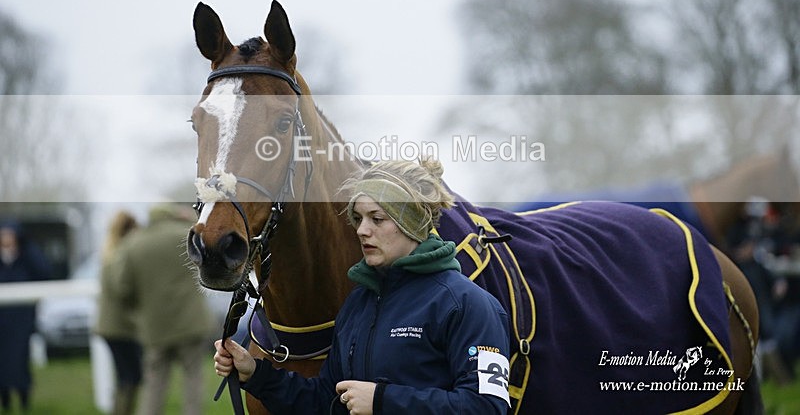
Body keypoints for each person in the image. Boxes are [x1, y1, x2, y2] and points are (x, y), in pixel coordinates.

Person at [214, 158, 511, 415]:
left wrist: (382, 401)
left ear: (412, 223)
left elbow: (486, 406)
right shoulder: (358, 304)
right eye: (357, 218)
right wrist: (256, 375)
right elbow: (325, 400)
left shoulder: (469, 304)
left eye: (377, 218)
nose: (361, 230)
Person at [110, 204, 214, 415]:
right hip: (190, 323)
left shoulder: (134, 244)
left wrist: (139, 307)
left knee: (154, 384)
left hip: (155, 327)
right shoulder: (185, 236)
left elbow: (122, 287)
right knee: (193, 379)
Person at [94, 210, 143, 415]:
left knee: (126, 377)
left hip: (111, 326)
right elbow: (123, 289)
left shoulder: (110, 251)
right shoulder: (122, 254)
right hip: (120, 328)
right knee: (130, 377)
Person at [0, 220, 51, 413]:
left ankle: (24, 402)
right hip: (1, 323)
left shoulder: (26, 257)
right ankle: (5, 403)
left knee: (21, 362)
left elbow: (44, 272)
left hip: (21, 321)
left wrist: (27, 248)